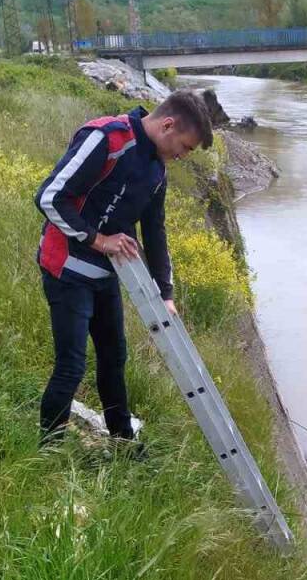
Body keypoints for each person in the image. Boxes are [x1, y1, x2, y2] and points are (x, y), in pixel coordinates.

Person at [34, 90, 213, 446]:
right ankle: (46, 452)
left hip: (105, 276)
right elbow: (49, 197)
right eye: (186, 146)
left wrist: (166, 294)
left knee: (114, 359)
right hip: (66, 268)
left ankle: (123, 441)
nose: (183, 155)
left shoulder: (156, 170)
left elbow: (155, 231)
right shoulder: (107, 138)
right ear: (168, 125)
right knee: (71, 365)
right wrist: (98, 240)